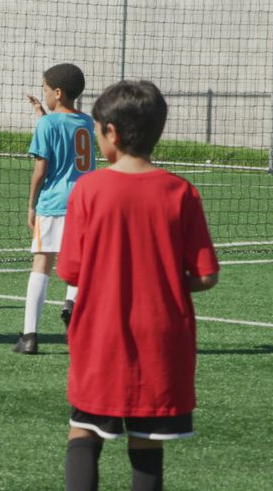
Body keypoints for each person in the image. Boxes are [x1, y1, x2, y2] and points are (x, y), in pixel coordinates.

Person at [56, 81, 219, 491]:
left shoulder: (88, 190)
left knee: (84, 431)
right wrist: (159, 280)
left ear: (111, 132)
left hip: (100, 333)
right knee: (148, 443)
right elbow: (205, 275)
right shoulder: (182, 192)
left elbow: (69, 270)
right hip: (162, 339)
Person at [14, 63, 95, 355]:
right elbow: (66, 132)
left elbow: (41, 169)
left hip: (53, 203)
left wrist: (31, 204)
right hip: (85, 204)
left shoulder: (46, 126)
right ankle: (71, 305)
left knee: (42, 264)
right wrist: (42, 115)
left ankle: (29, 336)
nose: (44, 94)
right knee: (80, 266)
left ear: (57, 93)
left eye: (46, 90)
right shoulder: (86, 122)